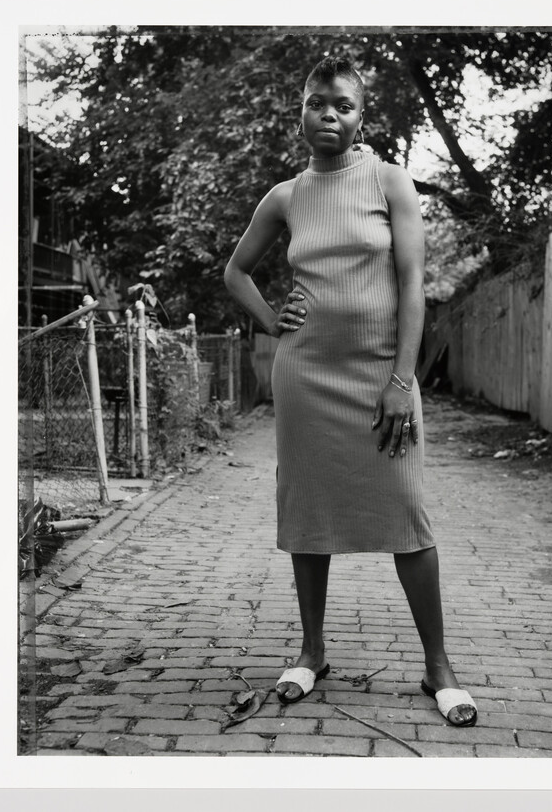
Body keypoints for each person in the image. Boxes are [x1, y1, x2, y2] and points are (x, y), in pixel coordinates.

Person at [224, 56, 477, 727]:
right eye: (315, 103)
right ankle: (311, 651)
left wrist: (403, 380)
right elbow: (236, 270)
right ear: (301, 112)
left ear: (362, 115)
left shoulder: (390, 182)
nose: (327, 114)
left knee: (406, 514)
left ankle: (438, 666)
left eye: (341, 105)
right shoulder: (284, 196)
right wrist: (270, 319)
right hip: (305, 376)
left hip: (378, 379)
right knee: (308, 513)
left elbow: (412, 283)